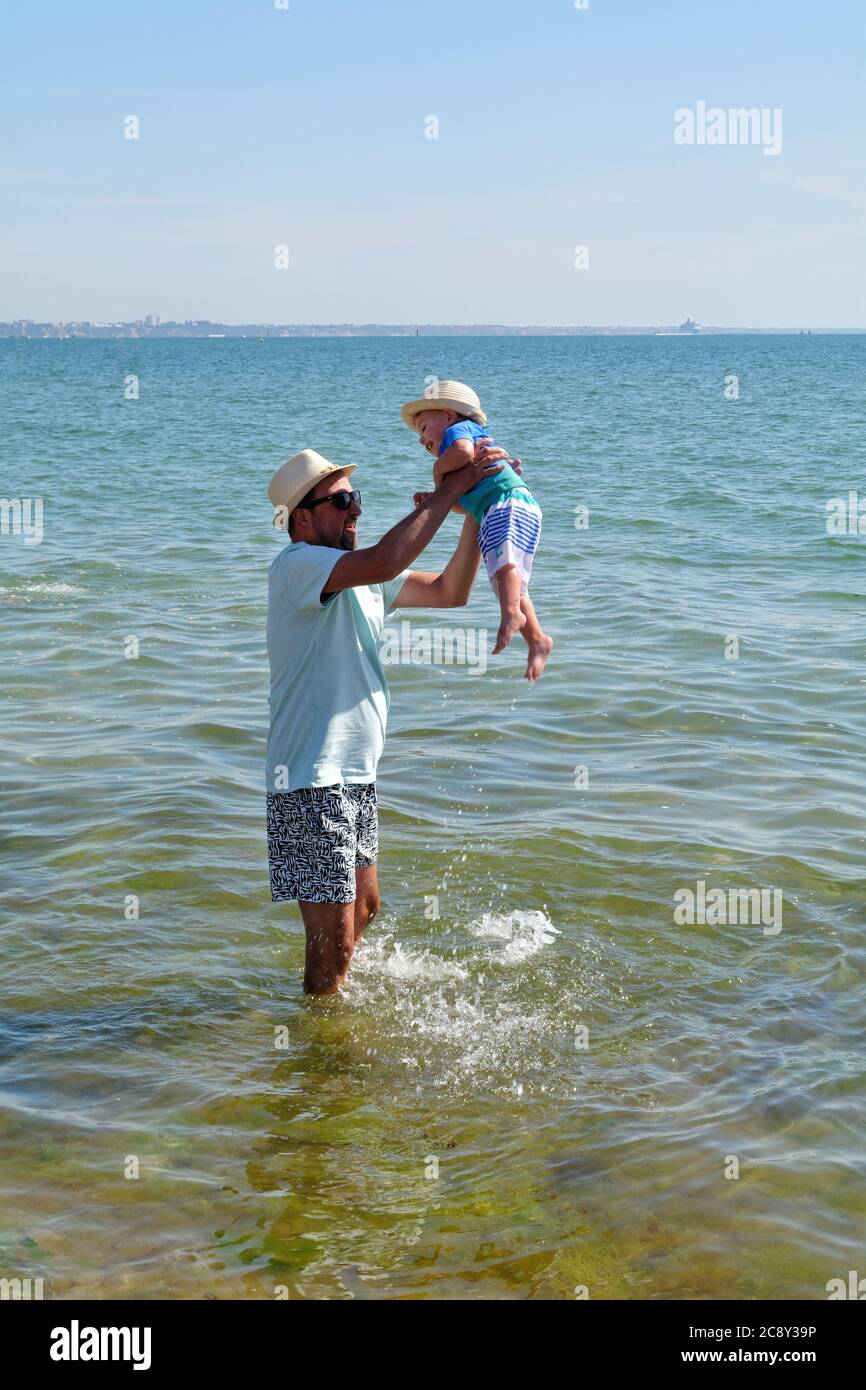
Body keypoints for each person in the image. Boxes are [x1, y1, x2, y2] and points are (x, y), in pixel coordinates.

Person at [266, 439, 514, 995]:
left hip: (355, 777)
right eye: (342, 501)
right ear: (302, 519)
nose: (356, 508)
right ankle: (322, 1068)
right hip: (309, 778)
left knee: (365, 912)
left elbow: (453, 591)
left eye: (357, 498)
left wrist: (475, 509)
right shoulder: (298, 566)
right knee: (333, 944)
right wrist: (451, 487)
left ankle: (323, 1027)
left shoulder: (365, 578)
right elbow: (385, 558)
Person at [401, 379, 553, 681]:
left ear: (448, 416)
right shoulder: (454, 460)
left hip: (508, 503)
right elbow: (465, 506)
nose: (420, 439)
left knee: (506, 562)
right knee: (506, 582)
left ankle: (510, 615)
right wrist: (437, 499)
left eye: (423, 428)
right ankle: (536, 639)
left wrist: (437, 472)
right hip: (494, 509)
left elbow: (463, 453)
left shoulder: (459, 434)